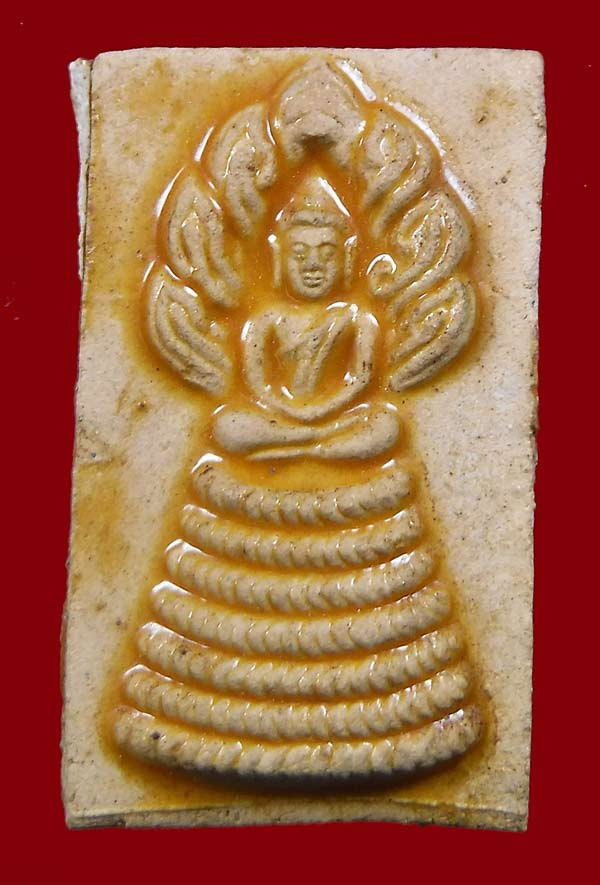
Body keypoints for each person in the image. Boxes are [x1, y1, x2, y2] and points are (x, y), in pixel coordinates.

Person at [212, 170, 399, 460]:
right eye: (299, 254)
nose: (313, 265)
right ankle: (316, 445)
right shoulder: (268, 319)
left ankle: (298, 447)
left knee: (385, 424)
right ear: (279, 257)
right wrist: (290, 411)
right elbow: (257, 384)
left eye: (327, 254)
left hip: (341, 415)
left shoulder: (356, 318)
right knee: (229, 425)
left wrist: (322, 411)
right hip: (278, 416)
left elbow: (361, 380)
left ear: (348, 258)